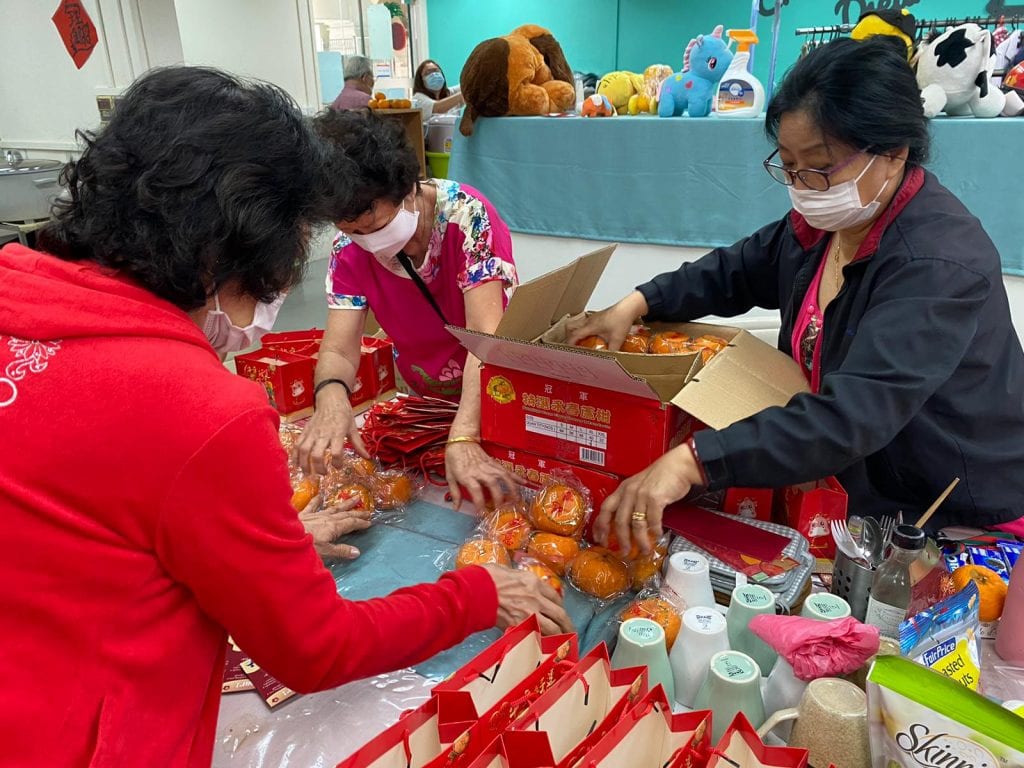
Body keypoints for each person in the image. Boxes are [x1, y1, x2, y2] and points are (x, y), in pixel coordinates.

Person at [0, 66, 570, 767]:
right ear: (240, 246)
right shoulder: (200, 410)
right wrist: (475, 593)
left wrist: (247, 545)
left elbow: (85, 519)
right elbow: (316, 647)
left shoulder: (17, 295)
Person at [568, 37, 1024, 551]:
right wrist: (634, 304)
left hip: (945, 512)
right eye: (787, 165)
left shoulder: (939, 263)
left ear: (893, 154)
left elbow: (853, 414)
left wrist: (694, 460)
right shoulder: (825, 226)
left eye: (819, 166)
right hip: (849, 488)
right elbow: (734, 270)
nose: (802, 185)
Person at [295, 109, 519, 510]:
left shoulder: (468, 218)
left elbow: (487, 342)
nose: (369, 242)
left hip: (488, 387)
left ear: (409, 190)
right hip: (423, 399)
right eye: (353, 231)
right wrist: (331, 396)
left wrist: (465, 433)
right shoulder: (348, 251)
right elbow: (339, 350)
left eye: (376, 224)